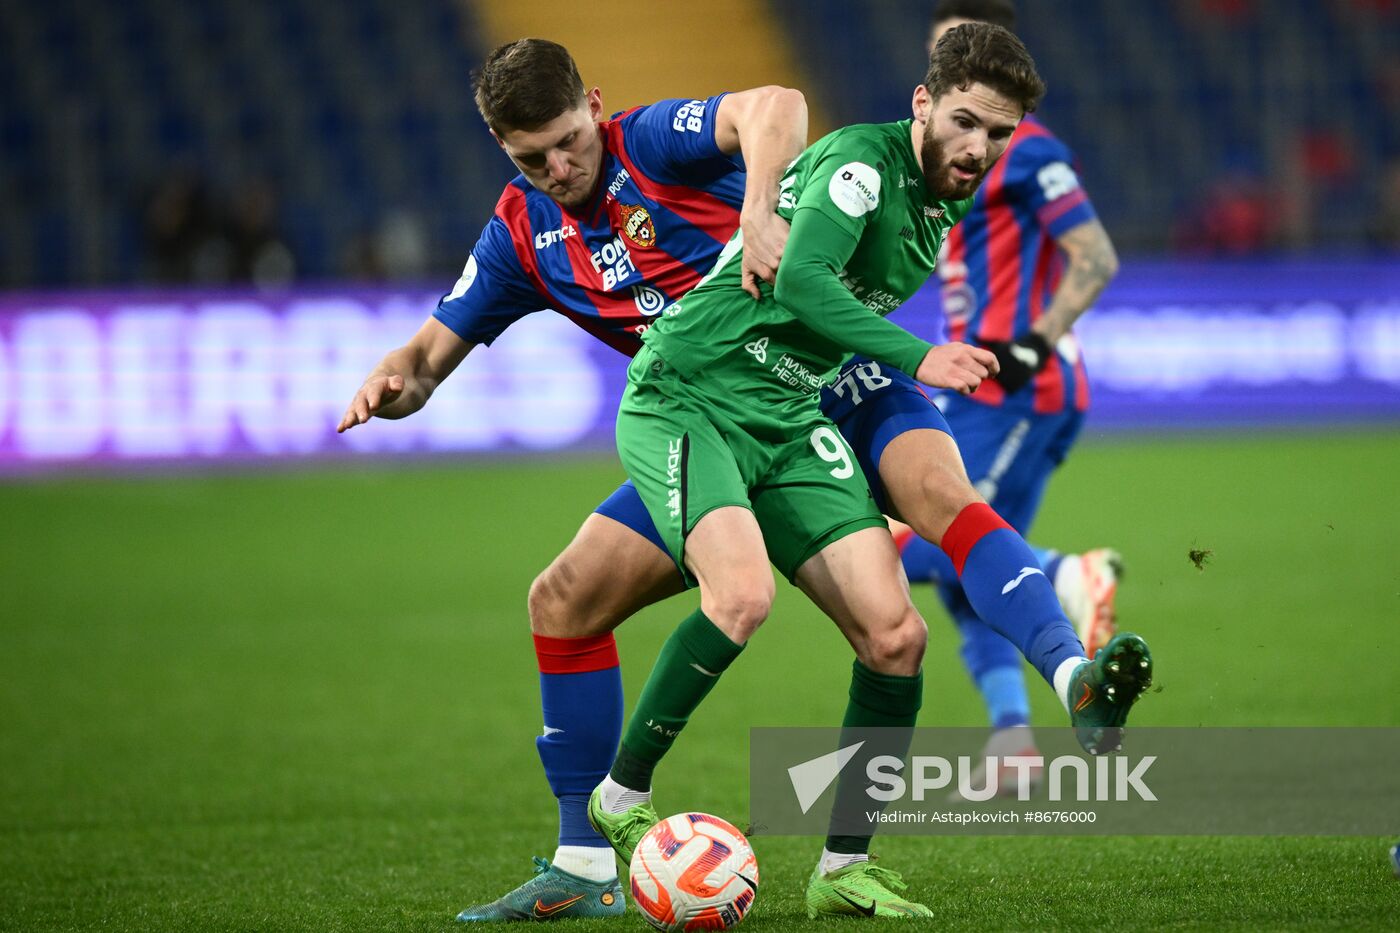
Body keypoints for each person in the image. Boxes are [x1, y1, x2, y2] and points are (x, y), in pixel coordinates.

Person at [586, 23, 1153, 918]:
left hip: (792, 407)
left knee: (897, 637)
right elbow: (803, 281)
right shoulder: (860, 166)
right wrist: (918, 357)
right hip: (693, 393)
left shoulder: (949, 191)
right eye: (965, 122)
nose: (979, 148)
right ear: (923, 103)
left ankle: (849, 859)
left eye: (998, 135)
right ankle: (618, 796)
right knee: (738, 597)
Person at [895, 0, 1125, 791]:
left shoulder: (1026, 149)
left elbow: (1095, 255)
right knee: (977, 569)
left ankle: (1069, 572)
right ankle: (1014, 737)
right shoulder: (942, 149)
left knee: (934, 540)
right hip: (984, 383)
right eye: (940, 52)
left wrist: (1034, 342)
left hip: (1019, 389)